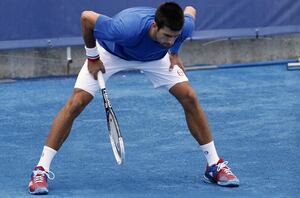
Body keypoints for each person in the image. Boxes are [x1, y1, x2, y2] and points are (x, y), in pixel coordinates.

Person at [28, 2, 239, 195]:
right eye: (167, 36)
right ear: (154, 26)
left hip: (155, 59)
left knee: (190, 97)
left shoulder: (180, 29)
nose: (170, 40)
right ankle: (41, 170)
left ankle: (214, 165)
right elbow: (86, 17)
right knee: (76, 103)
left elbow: (191, 9)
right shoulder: (125, 28)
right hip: (111, 54)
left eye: (175, 36)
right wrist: (92, 57)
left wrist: (173, 51)